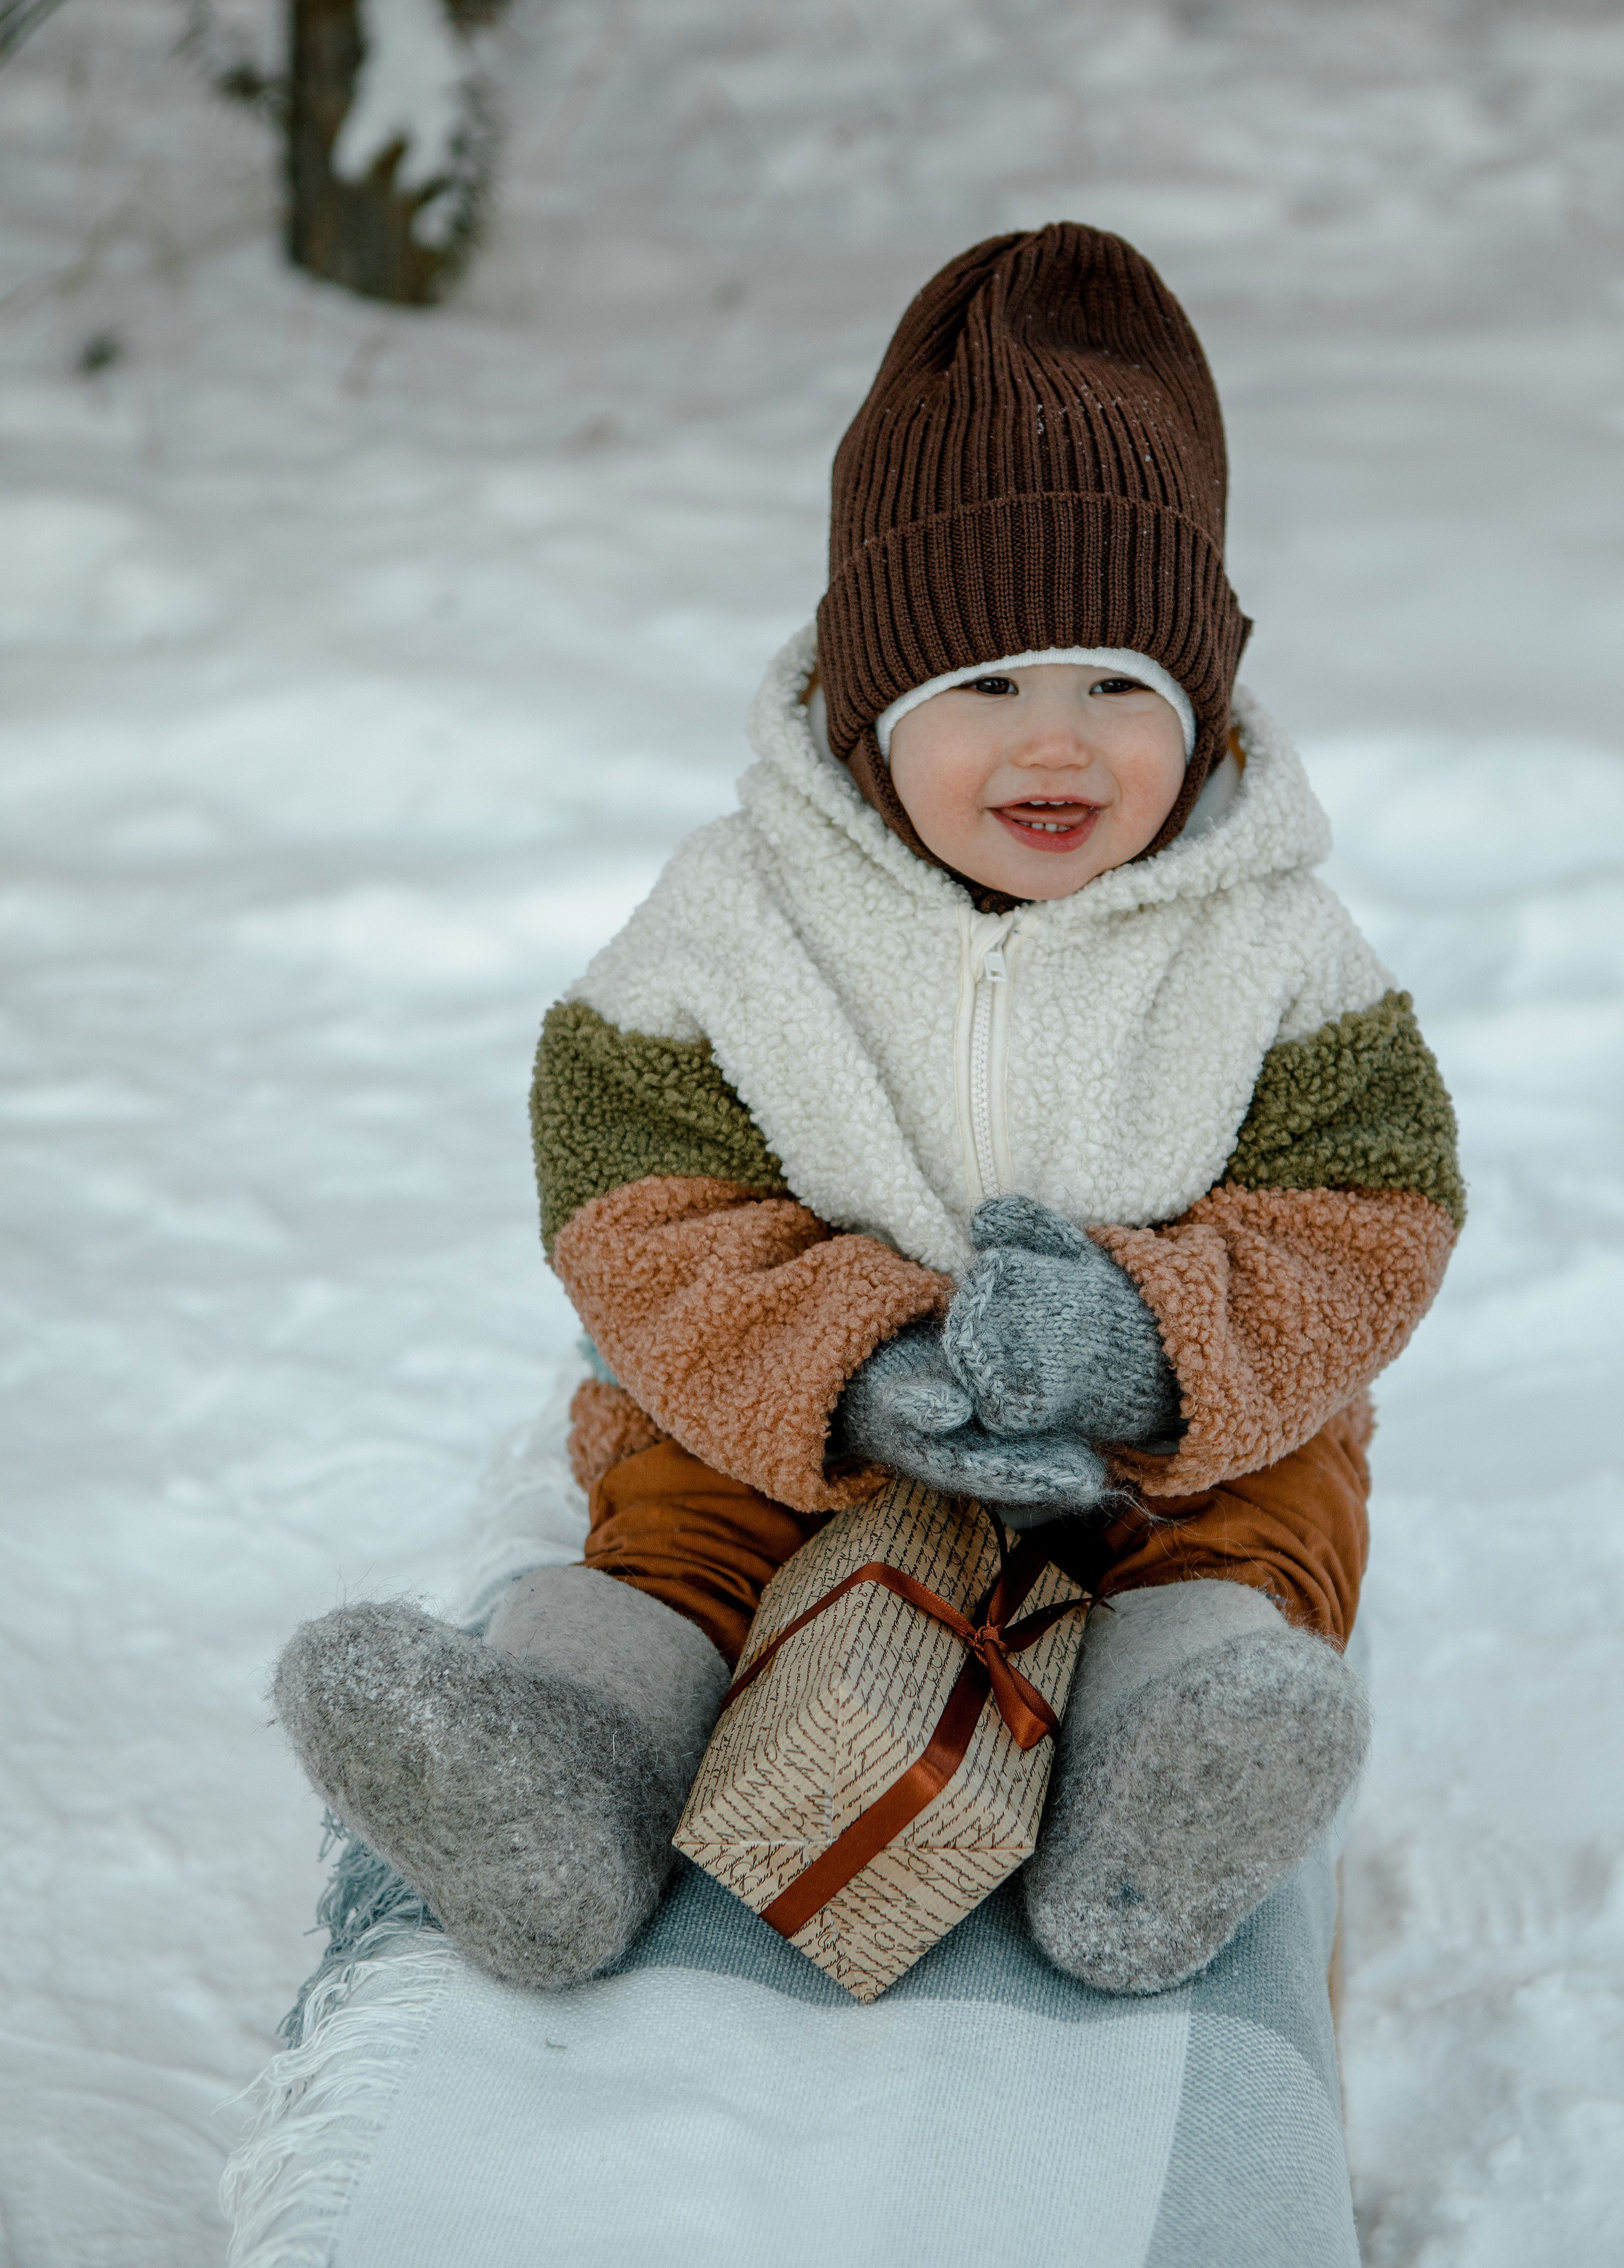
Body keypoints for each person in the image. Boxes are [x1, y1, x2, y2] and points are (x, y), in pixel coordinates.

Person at [275, 224, 1462, 2001]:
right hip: (815, 1421)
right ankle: (567, 1768)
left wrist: (1143, 1347)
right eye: (983, 686)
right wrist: (849, 1362)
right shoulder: (738, 917)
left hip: (1149, 1445)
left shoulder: (1271, 935)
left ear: (1201, 710)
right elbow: (634, 1205)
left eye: (1117, 690)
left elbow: (1368, 1217)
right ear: (869, 714)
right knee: (684, 1488)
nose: (1053, 747)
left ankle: (1169, 1781)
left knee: (1273, 1491)